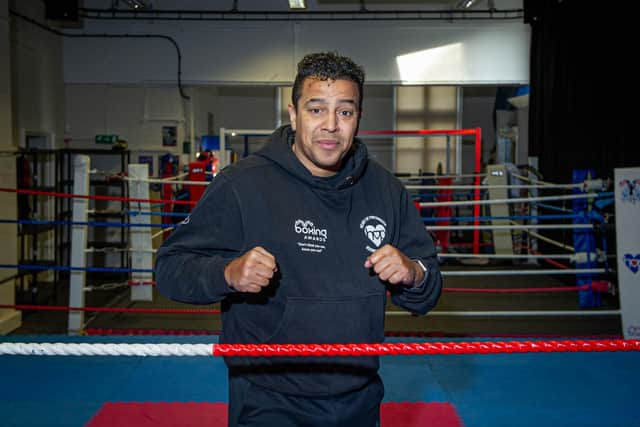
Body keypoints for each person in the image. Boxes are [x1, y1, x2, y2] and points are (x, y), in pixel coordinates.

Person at [155, 51, 443, 427]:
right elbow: (170, 268)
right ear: (293, 114)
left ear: (358, 119)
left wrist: (413, 273)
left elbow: (428, 290)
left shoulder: (386, 190)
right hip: (268, 399)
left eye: (344, 111)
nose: (331, 126)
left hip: (358, 396)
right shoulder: (242, 184)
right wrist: (226, 273)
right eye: (316, 109)